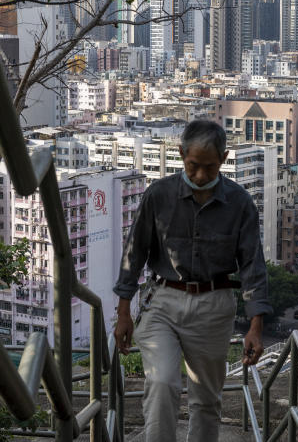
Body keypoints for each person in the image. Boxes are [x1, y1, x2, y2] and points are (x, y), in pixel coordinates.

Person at [113, 119, 271, 442]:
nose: (200, 176)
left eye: (209, 168)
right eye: (193, 165)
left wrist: (255, 327)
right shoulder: (159, 195)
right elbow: (135, 253)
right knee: (160, 383)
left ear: (224, 160)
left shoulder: (240, 205)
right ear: (182, 154)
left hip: (214, 304)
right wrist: (123, 311)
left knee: (206, 400)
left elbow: (253, 266)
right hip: (164, 300)